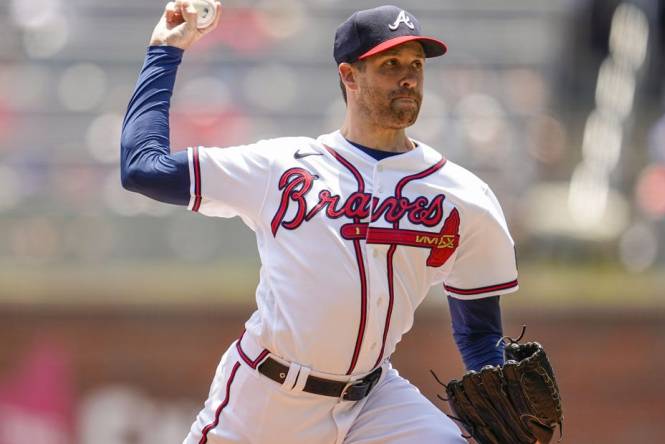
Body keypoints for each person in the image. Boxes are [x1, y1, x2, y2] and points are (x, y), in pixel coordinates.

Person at [120, 2, 520, 443]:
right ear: (349, 76)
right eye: (390, 64)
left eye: (416, 64)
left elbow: (480, 332)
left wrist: (503, 412)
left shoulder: (463, 197)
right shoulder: (281, 167)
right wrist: (164, 51)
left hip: (374, 400)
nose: (408, 77)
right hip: (270, 397)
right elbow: (144, 169)